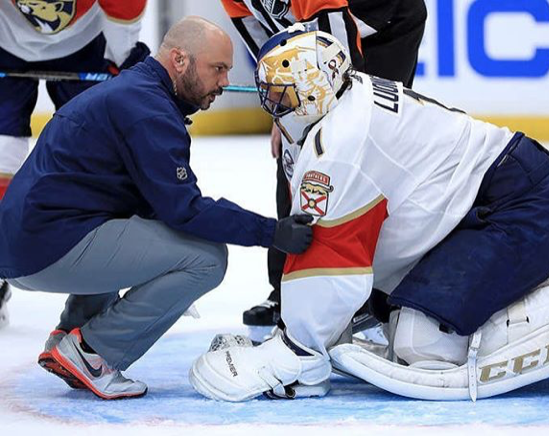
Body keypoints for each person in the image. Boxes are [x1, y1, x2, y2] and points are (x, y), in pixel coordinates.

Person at [189, 26, 549, 402]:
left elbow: (331, 258)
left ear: (313, 89)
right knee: (400, 319)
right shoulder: (340, 103)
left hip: (521, 207)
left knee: (423, 343)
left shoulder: (340, 143)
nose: (273, 108)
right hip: (491, 201)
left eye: (281, 95)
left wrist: (297, 349)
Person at [0, 17, 313, 400]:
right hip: (45, 247)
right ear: (180, 60)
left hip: (29, 242)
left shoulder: (133, 92)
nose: (225, 83)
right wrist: (273, 233)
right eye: (218, 69)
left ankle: (72, 333)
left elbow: (150, 207)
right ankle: (93, 352)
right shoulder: (148, 109)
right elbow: (186, 211)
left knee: (129, 223)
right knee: (205, 259)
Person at [220, 0, 427, 331]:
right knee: (295, 150)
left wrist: (328, 114)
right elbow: (270, 48)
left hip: (386, 24)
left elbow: (340, 59)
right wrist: (283, 110)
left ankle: (370, 292)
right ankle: (285, 288)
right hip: (321, 33)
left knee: (359, 152)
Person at [0, 0, 151, 328]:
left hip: (86, 41)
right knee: (1, 154)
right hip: (4, 39)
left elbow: (125, 12)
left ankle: (97, 289)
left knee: (98, 159)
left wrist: (126, 59)